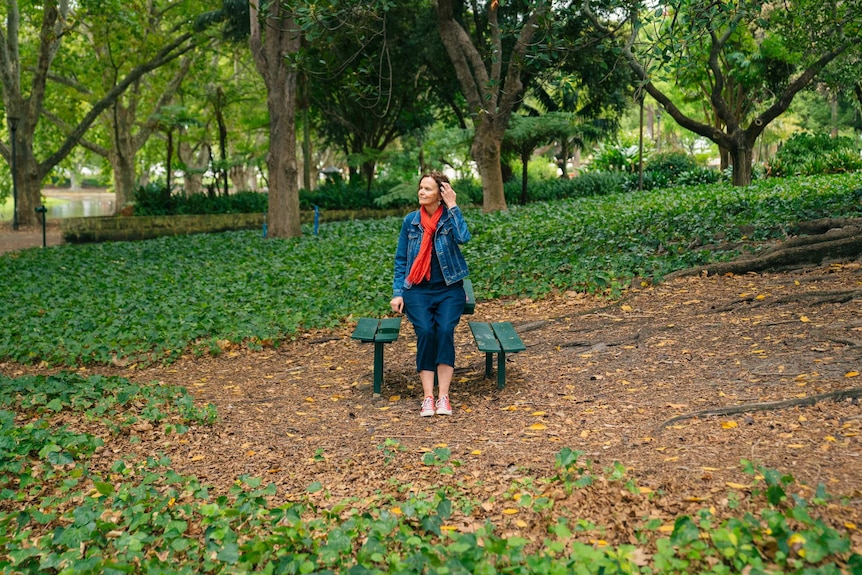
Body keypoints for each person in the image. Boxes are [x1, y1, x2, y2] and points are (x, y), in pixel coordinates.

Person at [391, 171, 471, 416]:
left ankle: (443, 397)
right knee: (426, 331)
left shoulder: (449, 219)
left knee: (445, 331)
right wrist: (398, 292)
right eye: (420, 188)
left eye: (427, 189)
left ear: (441, 193)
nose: (421, 192)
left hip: (448, 289)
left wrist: (454, 205)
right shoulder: (410, 221)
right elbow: (401, 259)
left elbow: (463, 237)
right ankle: (428, 397)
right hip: (418, 290)